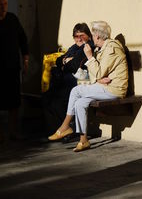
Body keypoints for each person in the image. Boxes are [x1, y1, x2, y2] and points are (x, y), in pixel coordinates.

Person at [48, 21, 128, 152]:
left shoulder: (111, 48)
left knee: (75, 91)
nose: (91, 37)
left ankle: (65, 127)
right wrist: (98, 78)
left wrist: (90, 58)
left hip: (114, 89)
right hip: (105, 87)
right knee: (80, 103)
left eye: (92, 33)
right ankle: (83, 140)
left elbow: (97, 72)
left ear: (97, 35)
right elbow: (96, 74)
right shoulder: (102, 49)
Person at [43, 23, 94, 135]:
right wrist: (66, 60)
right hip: (69, 82)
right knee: (47, 98)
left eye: (82, 35)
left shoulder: (88, 46)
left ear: (89, 35)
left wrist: (66, 62)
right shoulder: (74, 47)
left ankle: (70, 128)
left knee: (56, 100)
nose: (79, 38)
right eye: (76, 36)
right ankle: (67, 127)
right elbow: (59, 60)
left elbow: (74, 65)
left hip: (82, 83)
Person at [0, 0, 29, 141]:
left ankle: (12, 131)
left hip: (12, 67)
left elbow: (22, 39)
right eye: (0, 4)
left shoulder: (12, 19)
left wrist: (25, 60)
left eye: (5, 3)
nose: (3, 6)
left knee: (14, 101)